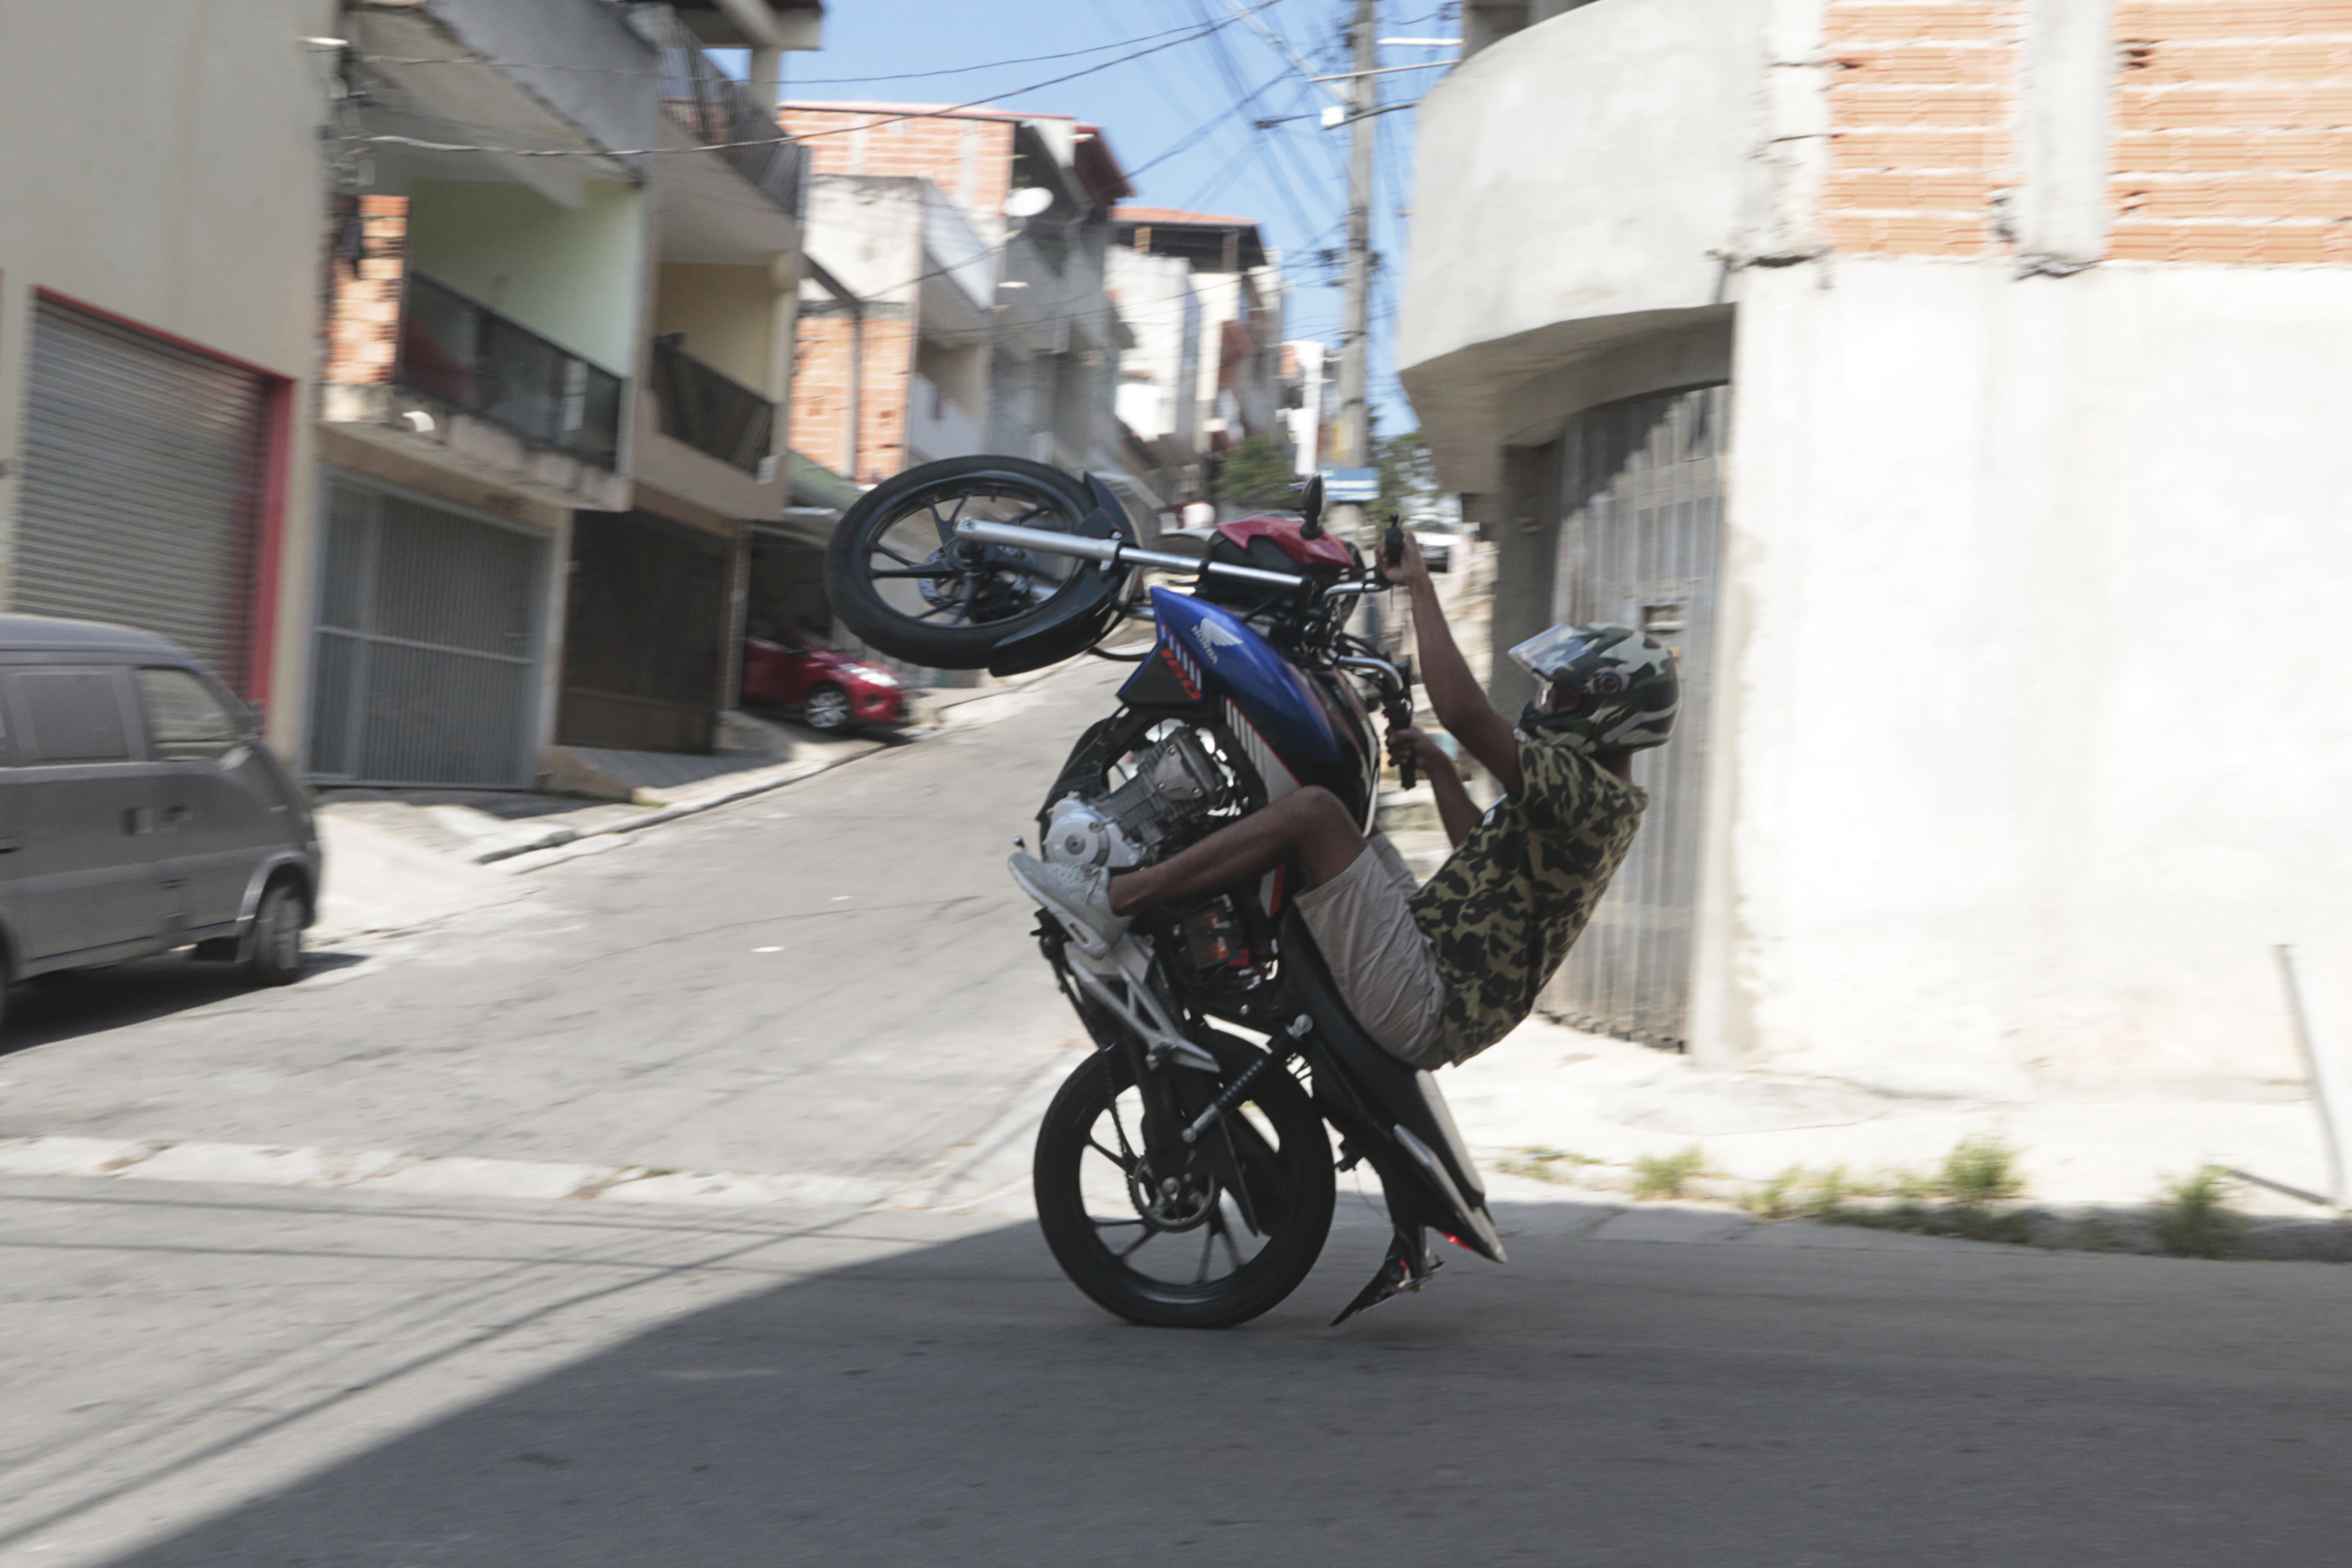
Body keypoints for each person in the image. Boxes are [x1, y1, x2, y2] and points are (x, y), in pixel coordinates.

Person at [1008, 534, 1677, 1069]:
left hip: (1429, 999)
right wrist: (1444, 770)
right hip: (1428, 953)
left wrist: (1419, 583)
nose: (1545, 705)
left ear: (1610, 713)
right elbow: (1483, 853)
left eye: (1563, 696)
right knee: (1336, 804)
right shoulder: (1591, 799)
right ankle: (1196, 913)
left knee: (1315, 816)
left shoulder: (1596, 796)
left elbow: (1469, 714)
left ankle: (1116, 897)